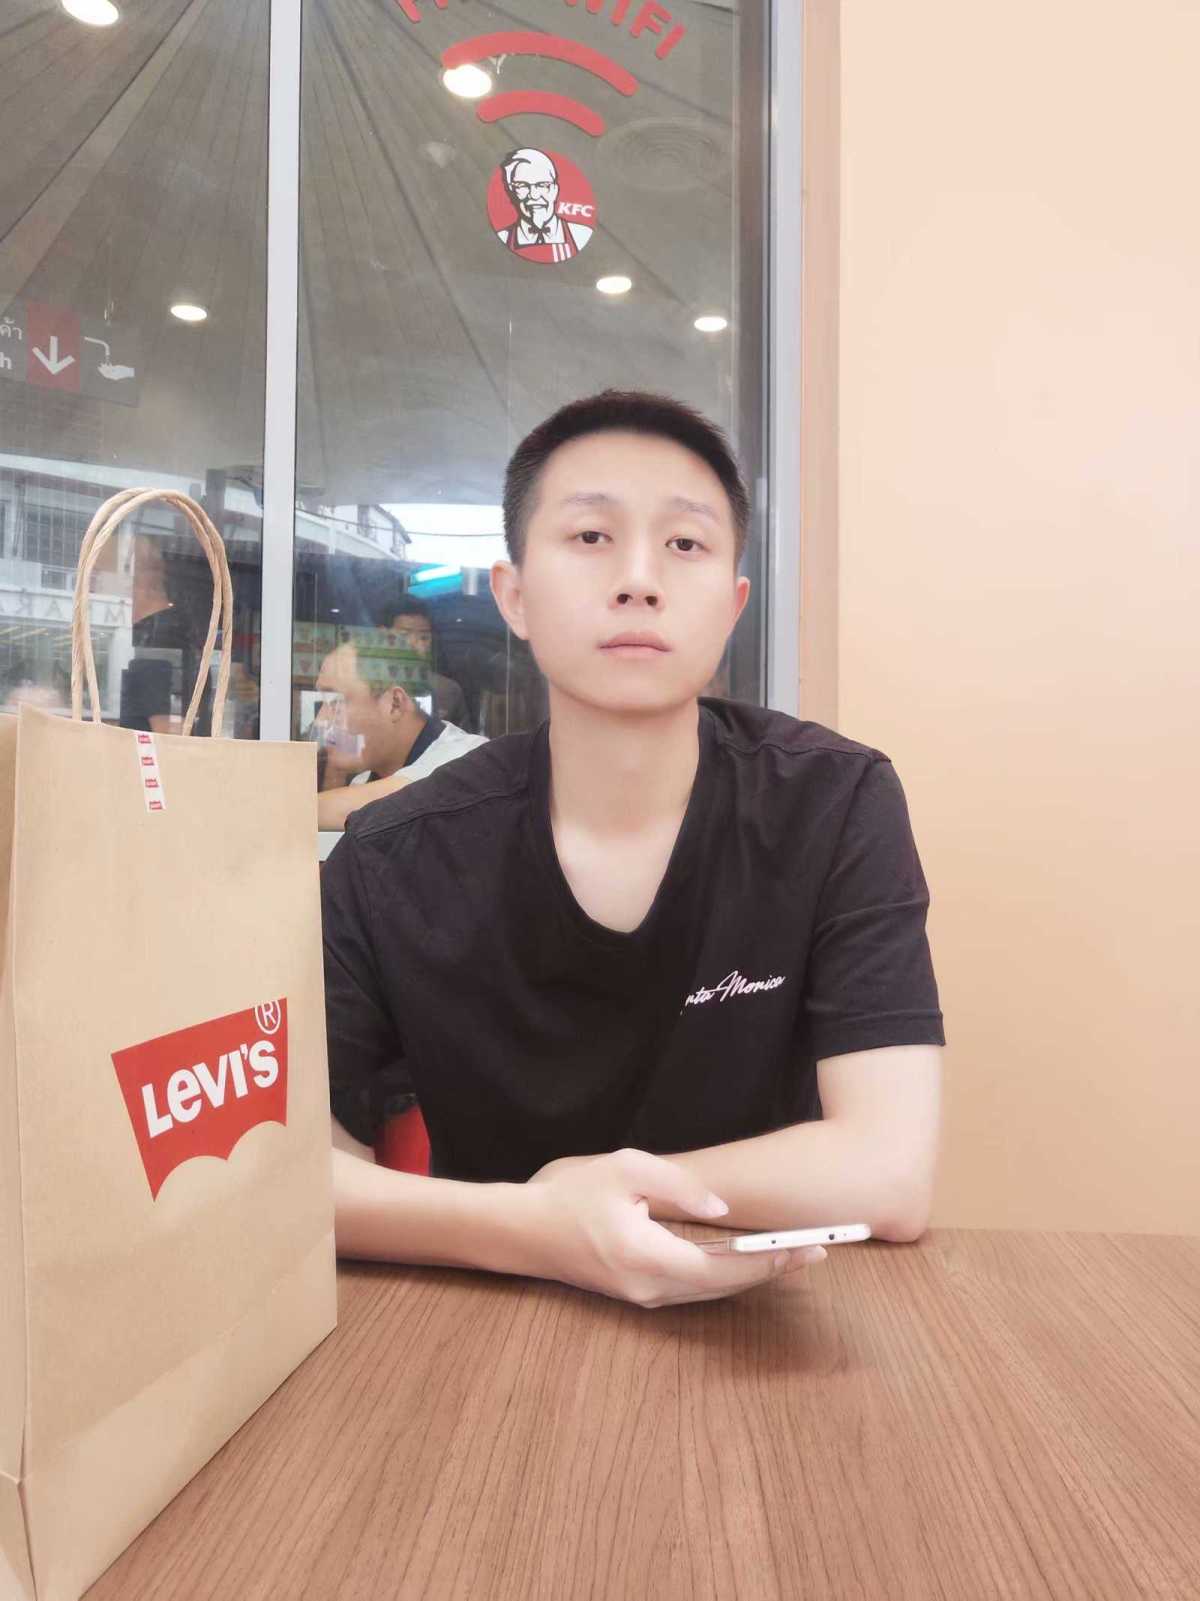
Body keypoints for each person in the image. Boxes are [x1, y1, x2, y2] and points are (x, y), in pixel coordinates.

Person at [322, 390, 945, 1310]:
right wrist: (538, 1226)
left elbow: (889, 1168)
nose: (640, 579)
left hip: (763, 1312)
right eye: (591, 536)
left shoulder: (834, 803)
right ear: (513, 595)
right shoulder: (390, 856)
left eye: (686, 544)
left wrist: (602, 1190)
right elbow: (301, 1175)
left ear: (733, 605)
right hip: (488, 1316)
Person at [312, 633, 485, 831]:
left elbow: (405, 800)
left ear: (395, 704)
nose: (321, 720)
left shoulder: (469, 758)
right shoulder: (362, 783)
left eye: (336, 701)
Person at [383, 595, 470, 728]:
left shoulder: (446, 691)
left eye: (424, 637)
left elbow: (461, 739)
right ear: (384, 635)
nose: (414, 644)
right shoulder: (364, 686)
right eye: (404, 635)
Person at [495, 148, 592, 263]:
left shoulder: (579, 233)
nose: (534, 195)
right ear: (512, 192)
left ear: (555, 190)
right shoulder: (502, 237)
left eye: (542, 185)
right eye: (522, 186)